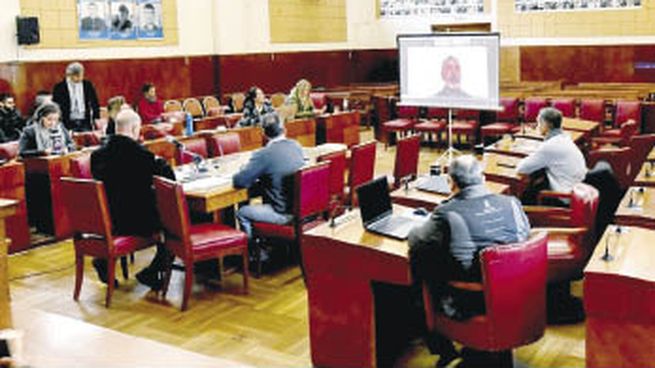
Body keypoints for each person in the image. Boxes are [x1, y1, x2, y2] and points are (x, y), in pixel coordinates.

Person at [408, 155, 530, 366]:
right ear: (482, 178)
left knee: (423, 271)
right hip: (522, 292)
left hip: (474, 301)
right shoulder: (511, 203)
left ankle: (443, 349)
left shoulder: (447, 213)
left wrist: (427, 222)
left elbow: (416, 242)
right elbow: (526, 236)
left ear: (451, 183)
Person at [90, 108, 175, 289]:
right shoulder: (140, 155)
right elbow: (169, 178)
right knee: (175, 225)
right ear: (136, 128)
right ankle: (152, 271)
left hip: (108, 220)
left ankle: (104, 261)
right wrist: (159, 161)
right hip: (135, 220)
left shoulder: (96, 156)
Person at [233, 113, 305, 259]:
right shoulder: (296, 146)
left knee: (242, 212)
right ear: (284, 129)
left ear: (263, 133)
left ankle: (255, 255)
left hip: (282, 214)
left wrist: (244, 169)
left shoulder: (264, 154)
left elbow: (240, 182)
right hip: (303, 210)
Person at [517, 107, 587, 203]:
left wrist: (535, 153)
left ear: (547, 124)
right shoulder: (565, 137)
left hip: (566, 198)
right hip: (579, 190)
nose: (537, 126)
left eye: (539, 123)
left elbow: (521, 168)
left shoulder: (550, 146)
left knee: (527, 194)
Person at [52, 62, 100, 132]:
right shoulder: (59, 87)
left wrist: (96, 117)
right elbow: (55, 105)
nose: (80, 78)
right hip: (67, 121)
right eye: (77, 76)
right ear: (69, 75)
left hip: (85, 121)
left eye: (81, 75)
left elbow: (94, 101)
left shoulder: (87, 85)